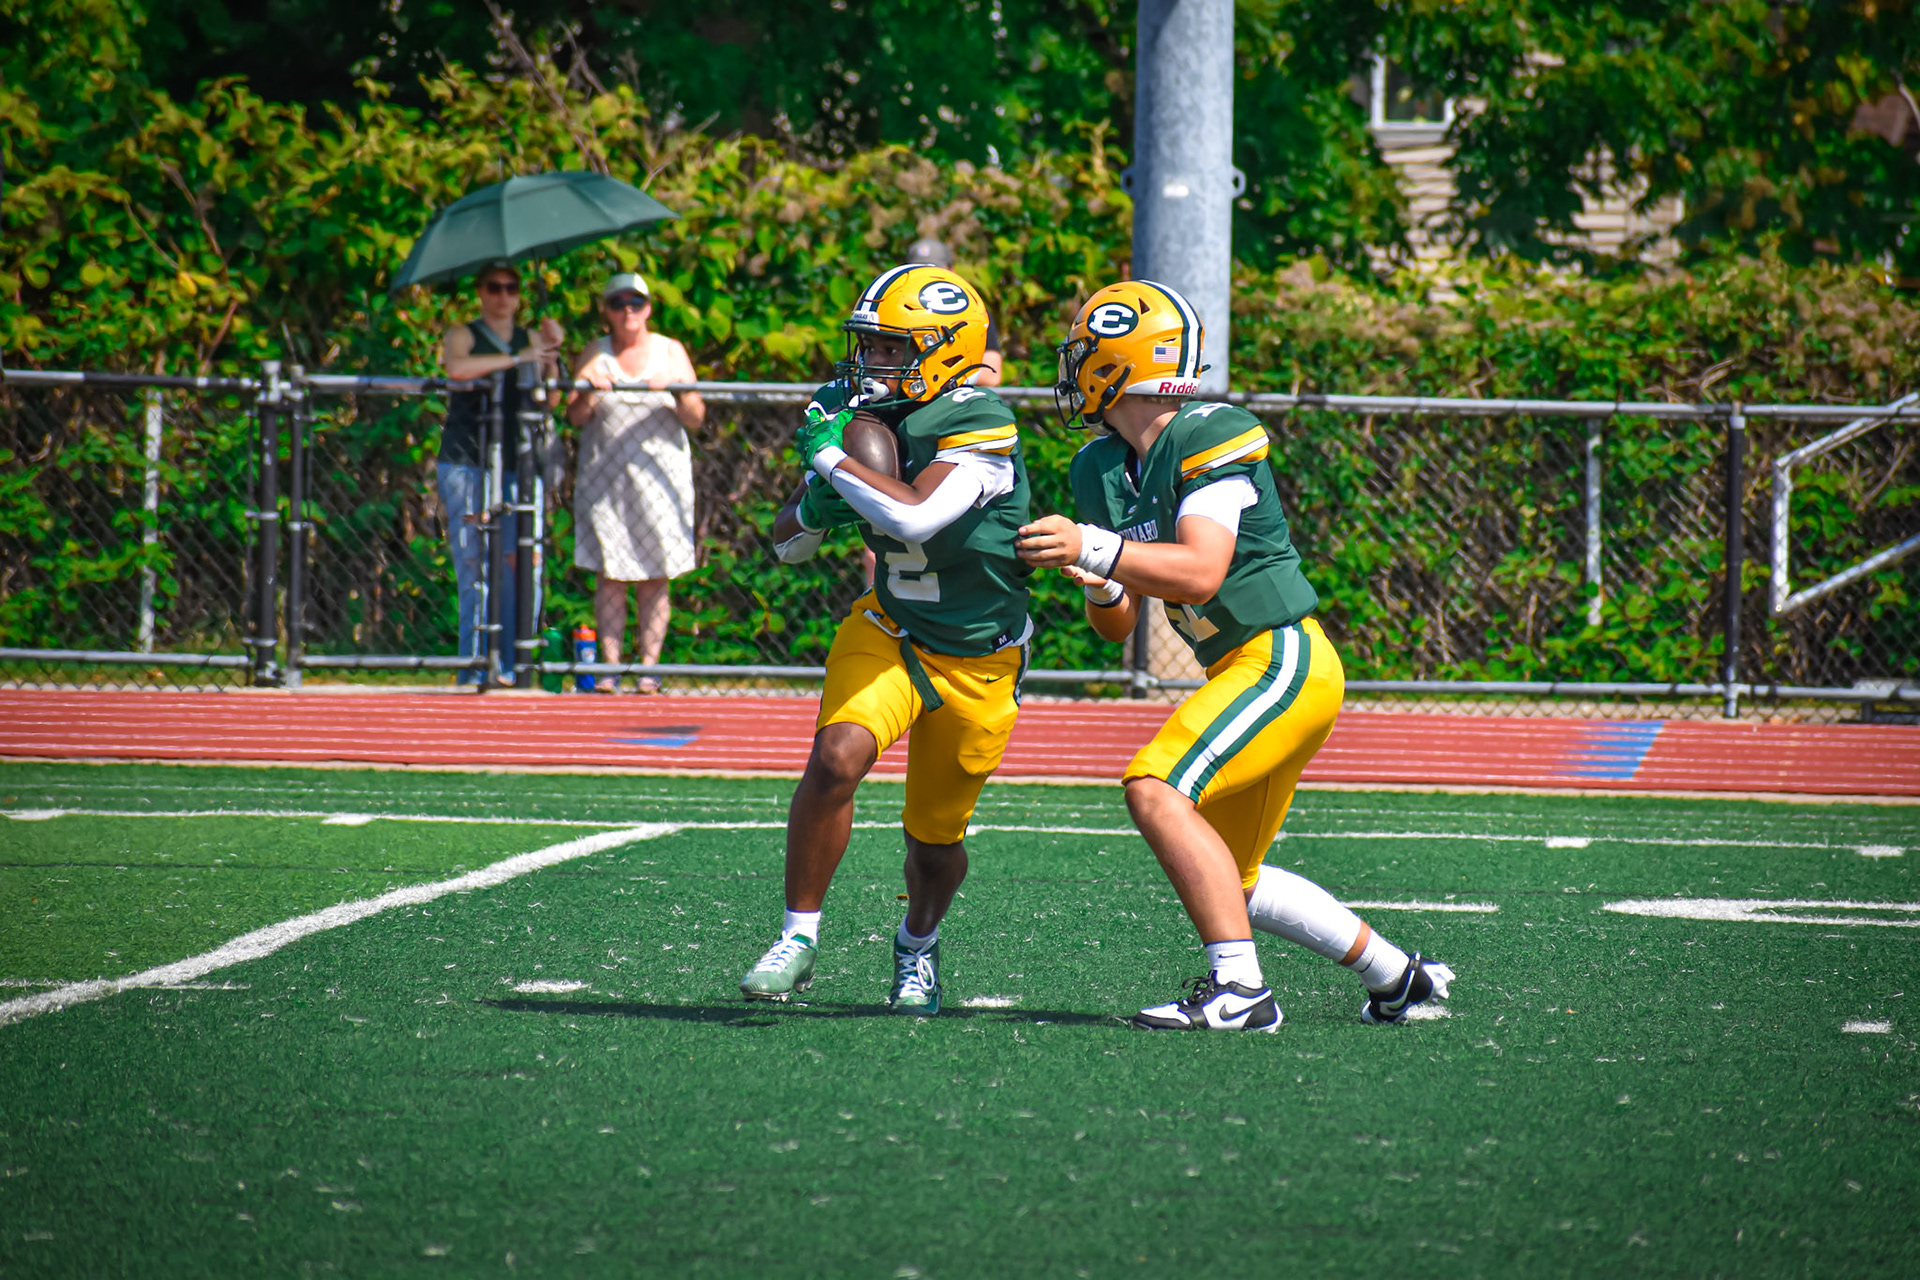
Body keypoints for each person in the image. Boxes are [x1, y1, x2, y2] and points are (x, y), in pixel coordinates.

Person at [1016, 279, 1455, 1031]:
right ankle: (1397, 977)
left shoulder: (1210, 432)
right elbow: (1118, 626)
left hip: (1282, 658)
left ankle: (1242, 991)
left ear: (1120, 362)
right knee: (1232, 878)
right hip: (1242, 668)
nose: (1073, 369)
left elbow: (1199, 572)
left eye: (1085, 353)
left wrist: (1093, 546)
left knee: (1155, 787)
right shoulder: (1099, 468)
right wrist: (1101, 581)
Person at [739, 263, 1030, 1014]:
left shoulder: (980, 421)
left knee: (935, 844)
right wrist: (817, 506)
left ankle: (917, 945)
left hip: (979, 654)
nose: (872, 361)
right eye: (869, 345)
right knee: (837, 757)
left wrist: (829, 458)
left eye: (893, 348)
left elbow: (913, 518)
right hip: (890, 627)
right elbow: (787, 546)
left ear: (944, 351)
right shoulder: (857, 412)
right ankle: (797, 937)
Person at [566, 272, 706, 693]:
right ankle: (609, 670)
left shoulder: (670, 351)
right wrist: (587, 392)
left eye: (636, 302)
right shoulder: (596, 352)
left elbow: (696, 417)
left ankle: (648, 669)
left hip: (660, 483)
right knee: (610, 576)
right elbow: (574, 416)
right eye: (618, 302)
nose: (628, 310)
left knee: (656, 575)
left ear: (648, 308)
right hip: (606, 483)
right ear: (606, 310)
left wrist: (677, 390)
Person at [439, 262, 561, 685]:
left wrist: (552, 355)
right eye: (494, 287)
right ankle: (475, 667)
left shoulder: (531, 338)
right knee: (475, 564)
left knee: (523, 564)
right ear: (481, 291)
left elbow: (550, 400)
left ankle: (514, 664)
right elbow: (456, 368)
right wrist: (514, 359)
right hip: (467, 460)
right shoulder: (464, 333)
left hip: (520, 463)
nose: (503, 296)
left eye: (511, 288)